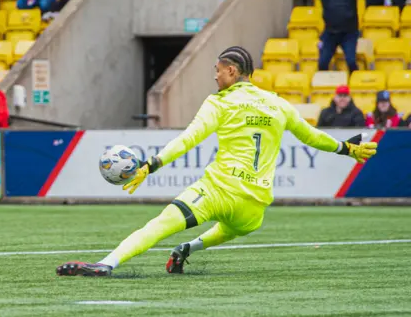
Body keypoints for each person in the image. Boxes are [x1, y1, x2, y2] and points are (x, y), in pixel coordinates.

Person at [56, 47, 378, 277]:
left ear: (232, 72)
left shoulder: (220, 102)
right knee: (231, 229)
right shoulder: (277, 104)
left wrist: (151, 165)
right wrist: (345, 150)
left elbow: (188, 139)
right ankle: (187, 249)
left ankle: (107, 263)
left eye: (217, 71)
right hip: (254, 205)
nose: (214, 77)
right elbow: (310, 136)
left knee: (161, 223)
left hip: (217, 190)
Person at [298, 0, 382, 73]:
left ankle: (353, 85)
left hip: (349, 32)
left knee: (351, 62)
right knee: (322, 62)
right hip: (330, 32)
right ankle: (326, 87)